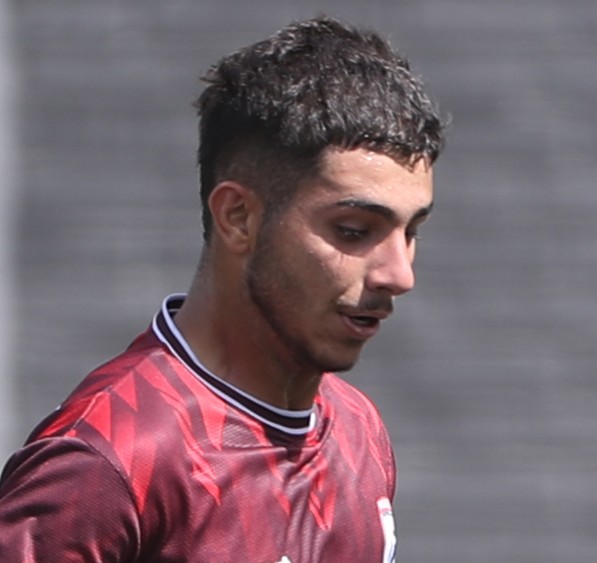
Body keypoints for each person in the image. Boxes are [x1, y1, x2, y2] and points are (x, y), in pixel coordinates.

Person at [0, 16, 444, 562]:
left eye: (411, 232)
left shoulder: (359, 431)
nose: (399, 274)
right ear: (238, 217)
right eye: (353, 231)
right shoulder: (108, 462)